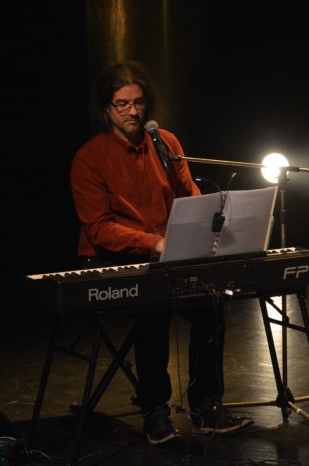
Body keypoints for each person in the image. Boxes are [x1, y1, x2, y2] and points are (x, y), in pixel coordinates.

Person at [70, 61, 253, 444]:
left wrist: (207, 231)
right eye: (122, 104)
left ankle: (207, 405)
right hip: (114, 256)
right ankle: (155, 410)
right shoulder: (90, 157)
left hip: (166, 251)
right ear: (107, 108)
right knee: (154, 308)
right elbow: (99, 228)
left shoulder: (165, 142)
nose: (133, 112)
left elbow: (190, 195)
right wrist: (152, 242)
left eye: (137, 103)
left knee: (214, 300)